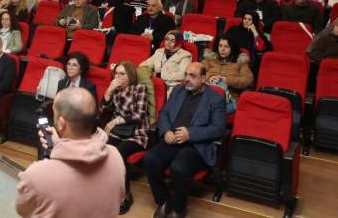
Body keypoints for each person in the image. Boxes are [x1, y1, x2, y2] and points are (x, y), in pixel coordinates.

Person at [15, 88, 125, 218]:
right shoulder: (115, 156)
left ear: (61, 123)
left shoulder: (36, 175)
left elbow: (23, 211)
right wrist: (58, 145)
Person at [144, 62, 227, 218]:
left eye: (192, 76)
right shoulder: (178, 90)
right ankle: (164, 200)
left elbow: (218, 128)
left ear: (203, 79)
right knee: (149, 158)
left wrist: (190, 134)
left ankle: (179, 208)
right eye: (186, 75)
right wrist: (166, 131)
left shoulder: (216, 99)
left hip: (196, 146)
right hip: (172, 140)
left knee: (179, 167)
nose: (187, 79)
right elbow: (164, 113)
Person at [101, 61, 149, 214]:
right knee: (103, 148)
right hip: (119, 132)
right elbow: (102, 109)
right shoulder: (115, 90)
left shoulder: (140, 89)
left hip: (136, 133)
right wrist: (109, 90)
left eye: (122, 74)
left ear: (130, 75)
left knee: (119, 152)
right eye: (116, 73)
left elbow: (138, 115)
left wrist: (114, 121)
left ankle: (125, 194)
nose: (118, 77)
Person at [203, 35, 254, 114]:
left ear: (232, 48)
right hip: (208, 93)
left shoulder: (240, 62)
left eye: (226, 46)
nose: (222, 49)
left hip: (230, 98)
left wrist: (228, 80)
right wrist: (210, 77)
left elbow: (249, 79)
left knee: (212, 112)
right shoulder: (211, 58)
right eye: (220, 46)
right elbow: (198, 72)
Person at [140, 31, 192, 98]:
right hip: (154, 84)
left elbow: (183, 75)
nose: (168, 42)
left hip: (170, 88)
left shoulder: (185, 55)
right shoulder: (159, 52)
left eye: (172, 41)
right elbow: (144, 65)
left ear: (179, 44)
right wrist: (151, 72)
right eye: (167, 39)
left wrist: (161, 75)